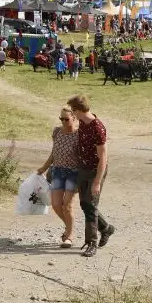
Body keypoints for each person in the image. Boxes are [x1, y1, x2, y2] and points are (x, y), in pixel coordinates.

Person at [68, 95, 114, 257]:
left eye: (73, 111)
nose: (72, 114)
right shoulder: (82, 122)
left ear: (79, 110)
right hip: (83, 169)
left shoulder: (97, 127)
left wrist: (97, 182)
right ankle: (106, 228)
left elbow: (103, 157)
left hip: (96, 170)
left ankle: (91, 243)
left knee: (90, 206)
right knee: (85, 204)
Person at [36, 107, 80, 248]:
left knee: (67, 205)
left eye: (66, 119)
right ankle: (69, 227)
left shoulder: (79, 135)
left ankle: (70, 235)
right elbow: (54, 153)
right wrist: (44, 167)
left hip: (73, 173)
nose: (63, 121)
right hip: (57, 172)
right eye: (61, 118)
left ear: (74, 118)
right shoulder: (56, 132)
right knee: (55, 205)